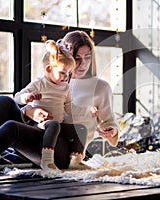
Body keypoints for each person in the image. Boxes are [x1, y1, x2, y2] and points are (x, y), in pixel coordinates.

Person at [0, 30, 119, 170]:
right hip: (40, 132)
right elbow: (30, 105)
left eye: (87, 57)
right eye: (77, 58)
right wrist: (30, 112)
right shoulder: (54, 79)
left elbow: (109, 122)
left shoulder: (100, 87)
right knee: (5, 102)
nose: (83, 64)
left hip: (63, 149)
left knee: (12, 128)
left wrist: (113, 131)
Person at [13, 40, 97, 172]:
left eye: (69, 74)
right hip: (41, 125)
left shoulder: (65, 88)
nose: (66, 77)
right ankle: (47, 161)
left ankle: (76, 161)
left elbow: (70, 108)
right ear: (49, 69)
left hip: (58, 125)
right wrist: (27, 97)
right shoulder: (39, 83)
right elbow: (17, 97)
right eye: (63, 73)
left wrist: (87, 110)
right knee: (53, 124)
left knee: (81, 129)